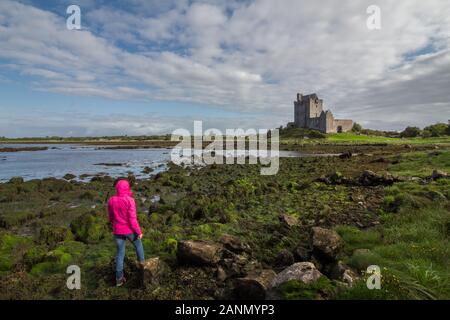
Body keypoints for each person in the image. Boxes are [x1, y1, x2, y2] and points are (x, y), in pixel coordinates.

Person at [107, 179, 144, 287]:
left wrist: (114, 223)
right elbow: (132, 219)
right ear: (127, 188)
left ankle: (119, 279)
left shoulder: (111, 200)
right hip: (129, 230)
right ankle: (142, 269)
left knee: (120, 253)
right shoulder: (130, 200)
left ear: (117, 188)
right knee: (138, 245)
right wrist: (139, 232)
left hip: (117, 230)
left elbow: (110, 217)